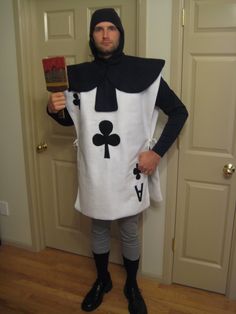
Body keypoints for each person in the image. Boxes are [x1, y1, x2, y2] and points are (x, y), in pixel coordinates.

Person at [47, 8, 188, 314]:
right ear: (92, 35)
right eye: (99, 28)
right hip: (94, 170)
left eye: (112, 28)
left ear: (120, 34)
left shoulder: (145, 74)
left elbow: (179, 112)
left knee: (129, 230)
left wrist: (156, 153)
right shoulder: (75, 77)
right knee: (98, 227)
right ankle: (102, 280)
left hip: (129, 170)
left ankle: (132, 285)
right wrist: (54, 109)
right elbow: (74, 122)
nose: (106, 34)